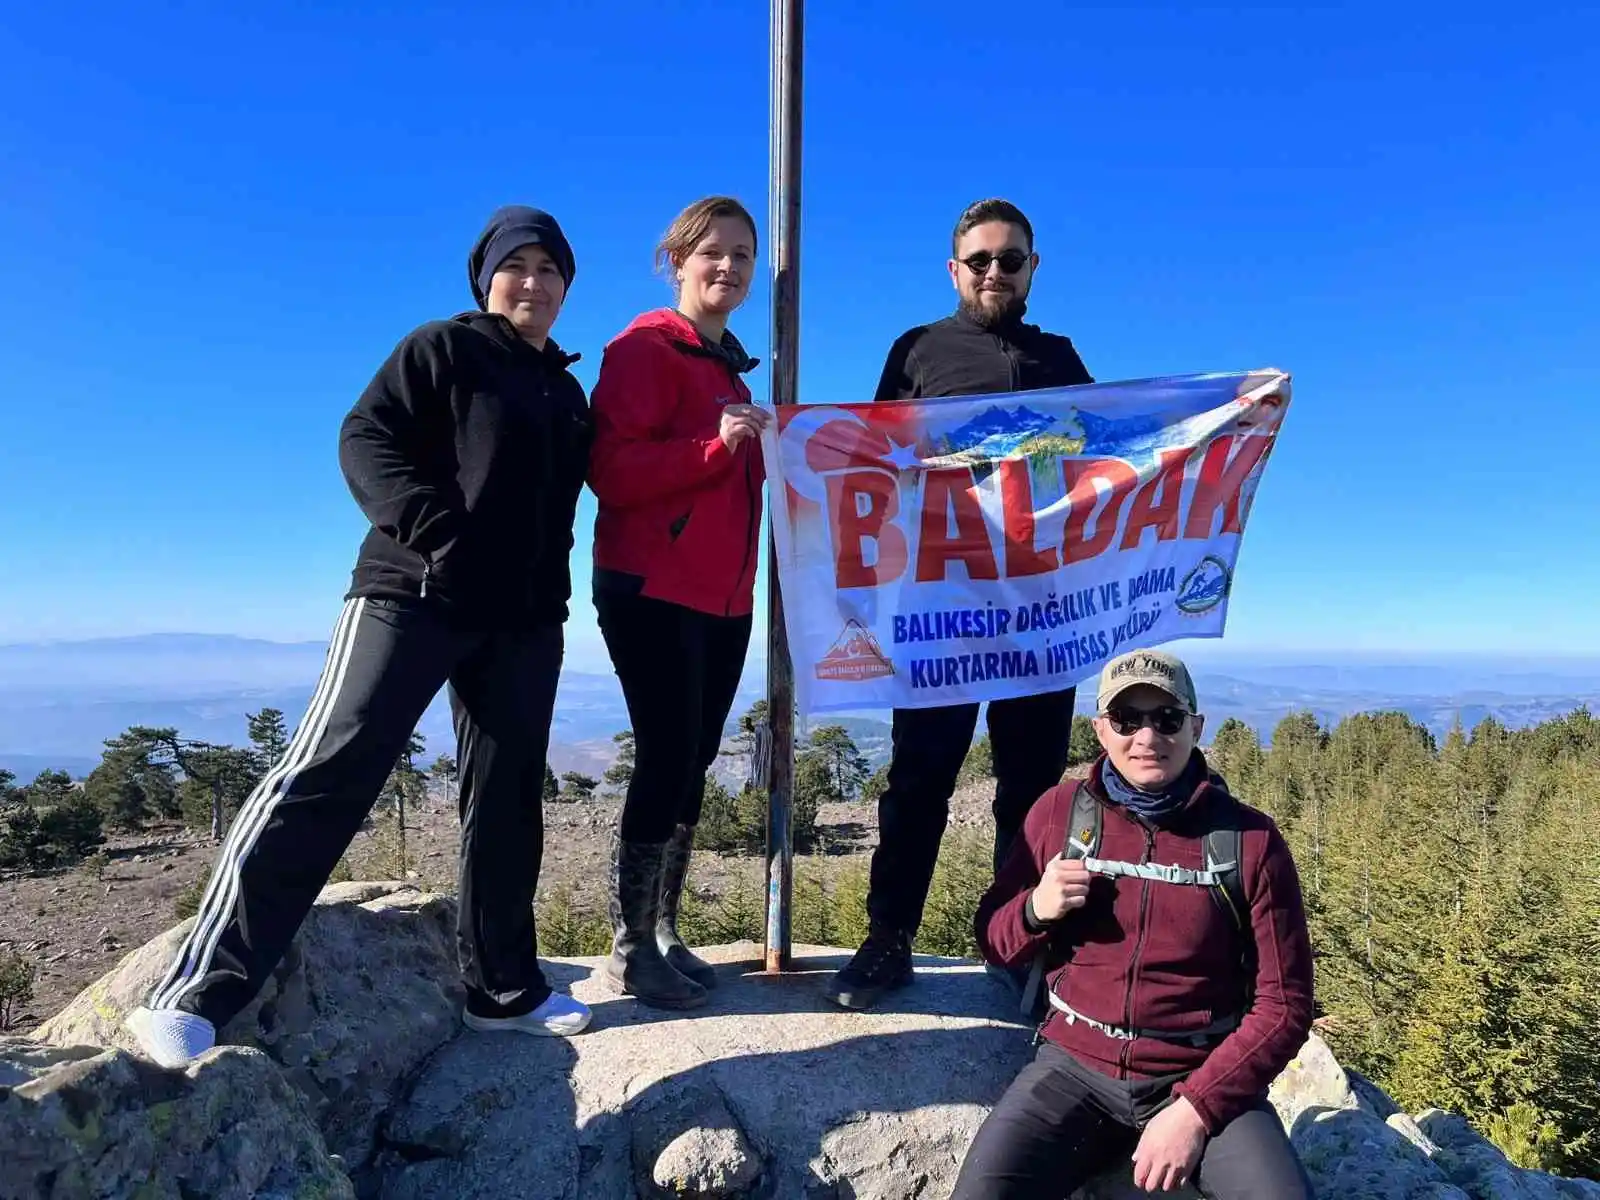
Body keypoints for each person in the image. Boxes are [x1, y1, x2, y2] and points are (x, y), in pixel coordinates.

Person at [126, 205, 595, 1068]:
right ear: (485, 277)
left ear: (568, 284)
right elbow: (364, 437)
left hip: (522, 624)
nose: (533, 283)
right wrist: (439, 535)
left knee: (506, 798)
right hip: (410, 596)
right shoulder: (442, 349)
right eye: (516, 266)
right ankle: (199, 989)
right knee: (329, 771)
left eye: (550, 269)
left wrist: (549, 602)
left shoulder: (566, 393)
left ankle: (502, 989)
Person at [827, 198, 1096, 1010]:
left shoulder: (1062, 358)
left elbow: (1110, 460)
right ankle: (887, 939)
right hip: (940, 609)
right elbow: (864, 461)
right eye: (978, 260)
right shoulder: (917, 350)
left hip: (1038, 616)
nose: (993, 273)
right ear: (954, 270)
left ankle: (1016, 946)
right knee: (920, 779)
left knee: (1031, 787)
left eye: (1008, 260)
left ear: (1031, 268)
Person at [948, 649, 1316, 1199]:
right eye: (1126, 719)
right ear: (1100, 730)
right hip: (1074, 1068)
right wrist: (1034, 910)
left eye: (1166, 719)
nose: (1147, 736)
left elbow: (1285, 1005)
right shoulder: (1060, 812)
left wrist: (1195, 1110)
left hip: (1198, 1071)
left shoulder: (1250, 841)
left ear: (1195, 727)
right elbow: (993, 940)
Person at [587, 195, 770, 1009]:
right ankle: (631, 946)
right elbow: (613, 473)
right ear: (678, 260)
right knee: (666, 754)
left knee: (693, 757)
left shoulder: (729, 366)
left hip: (724, 595)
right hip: (651, 585)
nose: (726, 267)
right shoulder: (643, 350)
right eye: (712, 252)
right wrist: (714, 445)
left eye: (741, 254)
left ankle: (663, 930)